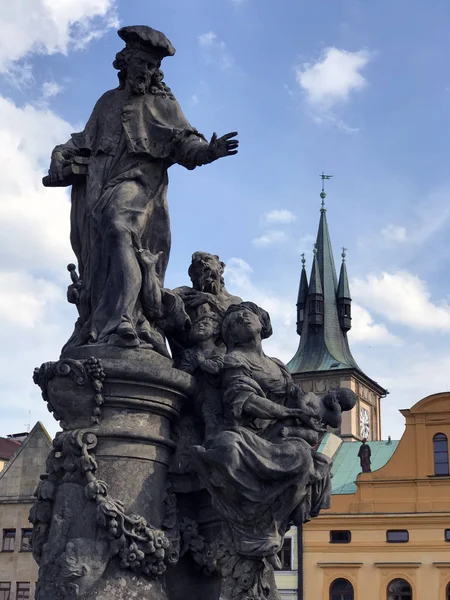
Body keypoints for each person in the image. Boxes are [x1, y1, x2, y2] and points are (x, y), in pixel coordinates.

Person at [46, 26, 239, 352]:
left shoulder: (162, 104)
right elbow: (83, 140)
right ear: (125, 63)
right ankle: (105, 321)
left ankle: (127, 317)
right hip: (100, 188)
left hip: (139, 186)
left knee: (119, 229)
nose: (148, 72)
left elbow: (185, 143)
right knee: (100, 256)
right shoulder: (107, 102)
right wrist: (60, 152)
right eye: (142, 64)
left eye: (153, 67)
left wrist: (210, 151)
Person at [191, 302, 355, 568]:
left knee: (303, 456)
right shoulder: (235, 360)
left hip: (278, 437)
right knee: (229, 449)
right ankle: (250, 522)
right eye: (233, 320)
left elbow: (300, 400)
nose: (242, 317)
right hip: (247, 433)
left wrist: (317, 411)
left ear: (262, 324)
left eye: (248, 314)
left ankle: (272, 525)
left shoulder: (278, 366)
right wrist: (287, 412)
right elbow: (246, 400)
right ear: (229, 334)